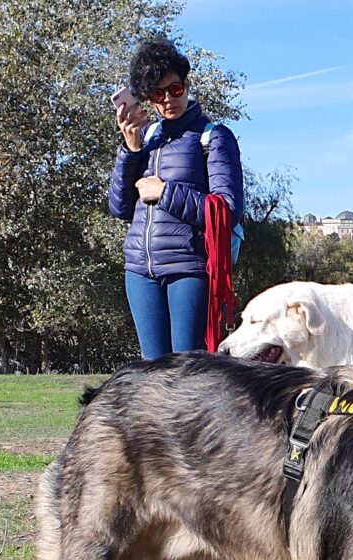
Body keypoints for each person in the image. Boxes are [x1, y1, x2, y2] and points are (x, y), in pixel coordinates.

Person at [108, 39, 242, 360]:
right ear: (148, 99)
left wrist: (166, 192)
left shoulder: (213, 137)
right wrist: (131, 149)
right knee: (153, 377)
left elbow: (228, 209)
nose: (169, 100)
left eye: (176, 89)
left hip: (189, 269)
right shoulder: (148, 139)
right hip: (140, 271)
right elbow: (120, 207)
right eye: (158, 94)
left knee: (188, 373)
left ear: (187, 84)